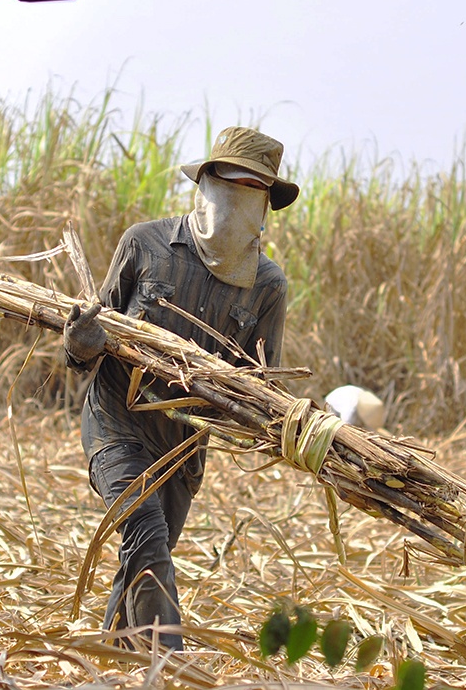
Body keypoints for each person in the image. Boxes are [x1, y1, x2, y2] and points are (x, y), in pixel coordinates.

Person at [63, 126, 300, 651]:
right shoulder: (144, 243)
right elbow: (84, 347)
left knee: (144, 559)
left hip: (183, 452)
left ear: (266, 206)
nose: (240, 198)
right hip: (115, 425)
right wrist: (80, 341)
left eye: (255, 189)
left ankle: (115, 662)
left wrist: (283, 422)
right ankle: (173, 669)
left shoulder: (268, 287)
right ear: (206, 182)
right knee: (144, 529)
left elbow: (261, 389)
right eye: (231, 182)